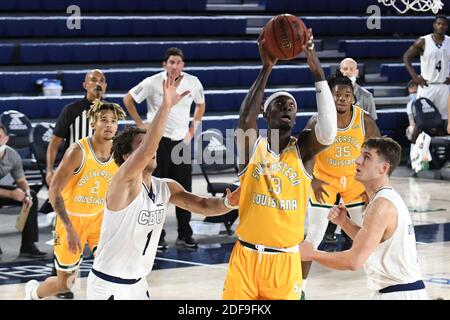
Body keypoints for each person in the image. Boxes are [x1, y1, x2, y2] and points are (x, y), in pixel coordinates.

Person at [86, 71, 239, 300]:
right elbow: (149, 146)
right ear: (128, 157)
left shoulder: (165, 187)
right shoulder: (123, 182)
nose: (153, 148)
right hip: (109, 286)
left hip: (138, 284)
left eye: (152, 143)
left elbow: (205, 205)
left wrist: (230, 202)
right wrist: (166, 107)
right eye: (143, 144)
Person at [221, 29, 337, 300]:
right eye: (280, 105)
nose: (287, 108)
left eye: (292, 106)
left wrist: (316, 69)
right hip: (246, 258)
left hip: (285, 262)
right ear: (265, 113)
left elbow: (329, 131)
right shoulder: (253, 148)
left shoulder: (304, 152)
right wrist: (267, 67)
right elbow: (243, 121)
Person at [300, 137, 429, 300]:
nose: (357, 160)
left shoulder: (380, 206)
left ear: (383, 168)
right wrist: (344, 222)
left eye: (366, 157)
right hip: (399, 291)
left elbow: (353, 261)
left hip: (398, 293)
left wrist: (311, 254)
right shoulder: (383, 199)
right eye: (360, 155)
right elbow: (373, 242)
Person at [24, 100, 126, 300]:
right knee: (65, 285)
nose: (109, 125)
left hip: (99, 219)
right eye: (103, 120)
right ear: (92, 124)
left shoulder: (118, 152)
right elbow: (54, 190)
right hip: (71, 221)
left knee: (114, 269)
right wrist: (69, 228)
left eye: (113, 121)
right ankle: (33, 293)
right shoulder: (78, 152)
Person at [301, 71, 381, 296]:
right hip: (324, 180)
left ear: (353, 97)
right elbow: (302, 154)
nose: (342, 99)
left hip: (355, 181)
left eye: (347, 95)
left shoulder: (364, 120)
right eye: (337, 95)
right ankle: (299, 289)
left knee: (366, 235)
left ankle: (382, 282)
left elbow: (380, 151)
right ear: (330, 97)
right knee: (314, 235)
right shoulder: (318, 120)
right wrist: (313, 180)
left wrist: (372, 187)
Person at [123, 47, 206, 250]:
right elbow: (128, 99)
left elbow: (201, 105)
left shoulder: (192, 82)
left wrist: (191, 131)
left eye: (178, 62)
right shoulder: (152, 82)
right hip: (157, 142)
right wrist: (140, 125)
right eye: (171, 62)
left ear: (183, 65)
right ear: (164, 64)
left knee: (184, 189)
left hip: (180, 142)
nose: (175, 66)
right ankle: (155, 236)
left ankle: (185, 234)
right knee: (154, 188)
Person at [46, 69, 107, 186]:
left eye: (101, 81)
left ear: (105, 86)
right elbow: (54, 142)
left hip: (100, 171)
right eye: (93, 80)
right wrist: (49, 170)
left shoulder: (111, 111)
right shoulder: (71, 110)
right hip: (73, 169)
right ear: (85, 85)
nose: (98, 84)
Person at [0, 124, 47, 258]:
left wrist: (26, 192)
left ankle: (28, 245)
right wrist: (11, 194)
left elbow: (21, 180)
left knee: (31, 196)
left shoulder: (12, 154)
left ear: (6, 139)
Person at [403, 14, 450, 134]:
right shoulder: (423, 41)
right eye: (438, 23)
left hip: (444, 86)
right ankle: (416, 150)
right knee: (422, 120)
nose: (441, 26)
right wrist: (415, 77)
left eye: (443, 24)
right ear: (434, 25)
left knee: (444, 121)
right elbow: (406, 57)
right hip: (427, 86)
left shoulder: (449, 41)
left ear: (447, 27)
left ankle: (442, 151)